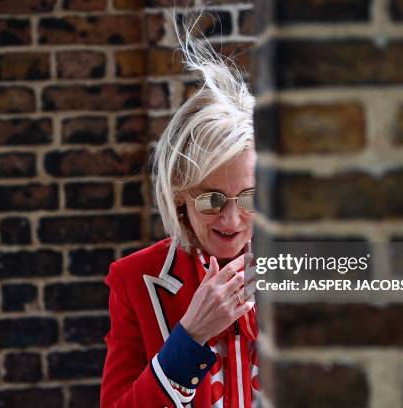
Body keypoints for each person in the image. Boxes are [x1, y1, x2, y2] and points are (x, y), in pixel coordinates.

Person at [101, 13, 259, 408]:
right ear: (180, 197)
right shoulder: (135, 280)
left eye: (250, 197)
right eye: (211, 200)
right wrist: (190, 336)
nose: (232, 220)